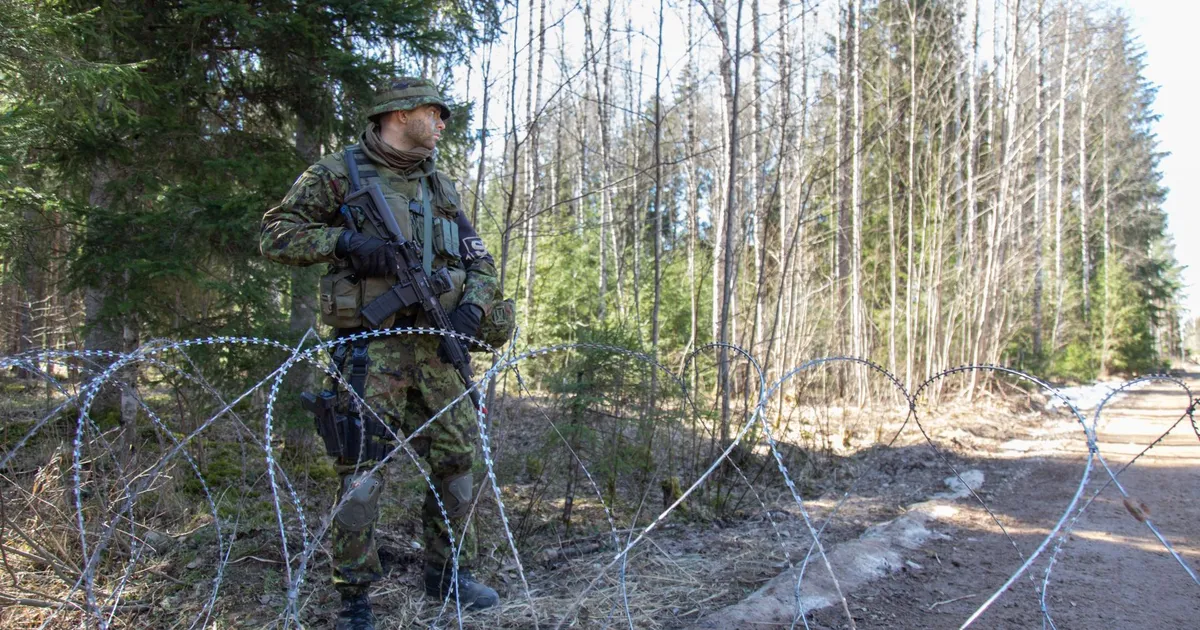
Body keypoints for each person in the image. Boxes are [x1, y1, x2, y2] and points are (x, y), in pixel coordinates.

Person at [260, 77, 501, 630]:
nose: (443, 123)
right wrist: (343, 243)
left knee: (459, 462)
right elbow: (275, 233)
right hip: (369, 350)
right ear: (397, 113)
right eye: (434, 112)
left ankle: (448, 574)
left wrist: (473, 310)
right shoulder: (338, 174)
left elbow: (479, 261)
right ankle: (355, 599)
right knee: (362, 473)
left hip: (438, 347)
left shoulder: (439, 186)